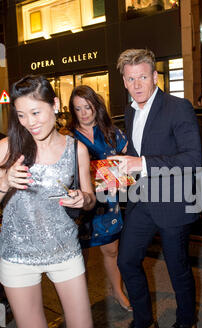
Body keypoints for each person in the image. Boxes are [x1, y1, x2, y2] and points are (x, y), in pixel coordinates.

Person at [0, 75, 97, 328]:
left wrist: (83, 199)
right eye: (21, 114)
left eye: (36, 112)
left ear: (54, 105)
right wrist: (4, 182)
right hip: (18, 256)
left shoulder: (75, 149)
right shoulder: (7, 148)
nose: (29, 122)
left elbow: (91, 198)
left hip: (64, 249)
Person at [108, 48, 202, 328]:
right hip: (141, 199)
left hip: (174, 200)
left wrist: (141, 164)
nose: (137, 84)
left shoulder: (179, 107)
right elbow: (138, 152)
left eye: (143, 77)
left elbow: (192, 159)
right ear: (124, 80)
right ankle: (145, 322)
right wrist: (120, 172)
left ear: (155, 77)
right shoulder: (130, 110)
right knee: (126, 260)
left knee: (177, 269)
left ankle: (186, 324)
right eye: (131, 78)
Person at [68, 85, 131, 311]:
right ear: (72, 111)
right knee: (78, 257)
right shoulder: (67, 138)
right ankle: (79, 302)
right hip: (79, 205)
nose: (84, 113)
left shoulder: (111, 132)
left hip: (107, 202)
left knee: (111, 250)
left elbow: (128, 161)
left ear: (96, 106)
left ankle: (117, 291)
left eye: (88, 107)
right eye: (78, 109)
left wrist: (120, 172)